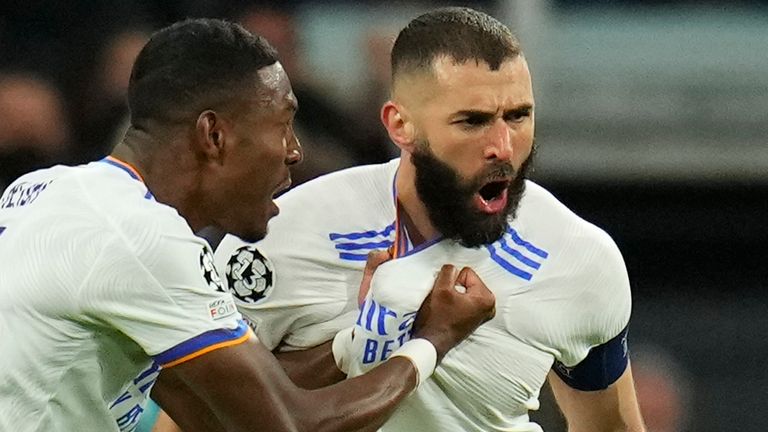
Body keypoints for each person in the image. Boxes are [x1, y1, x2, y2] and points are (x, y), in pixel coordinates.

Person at [0, 18, 496, 432]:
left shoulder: (46, 190)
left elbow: (215, 419)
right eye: (282, 124)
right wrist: (435, 338)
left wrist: (359, 340)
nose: (295, 151)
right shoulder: (144, 240)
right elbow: (291, 426)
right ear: (213, 135)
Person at [214, 7, 646, 432]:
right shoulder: (276, 238)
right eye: (472, 121)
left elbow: (610, 426)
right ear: (400, 124)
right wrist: (361, 342)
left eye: (519, 116)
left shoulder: (579, 257)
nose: (503, 146)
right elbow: (200, 417)